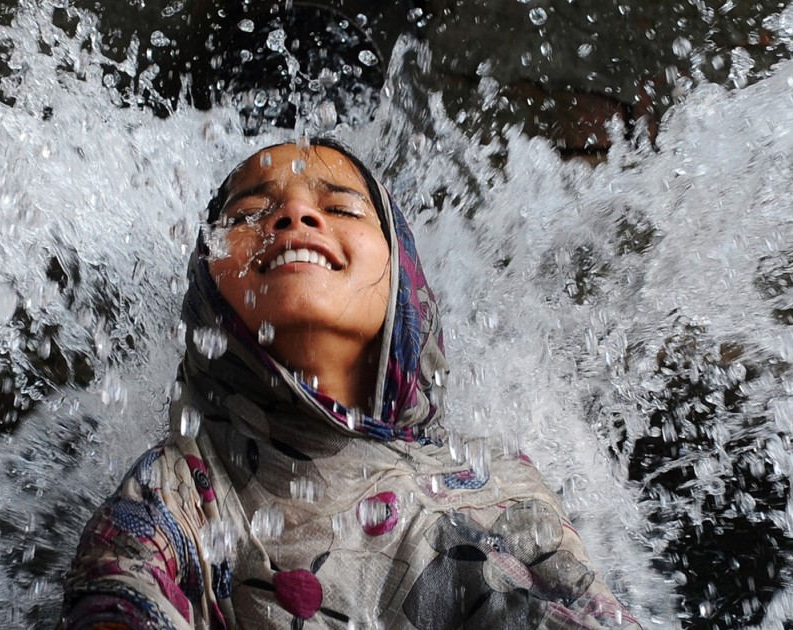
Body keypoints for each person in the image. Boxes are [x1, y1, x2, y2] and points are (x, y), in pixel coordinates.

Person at [60, 139, 639, 629]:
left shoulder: (502, 474)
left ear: (401, 278)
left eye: (341, 208)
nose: (293, 217)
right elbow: (121, 587)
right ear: (205, 287)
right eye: (246, 215)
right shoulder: (186, 490)